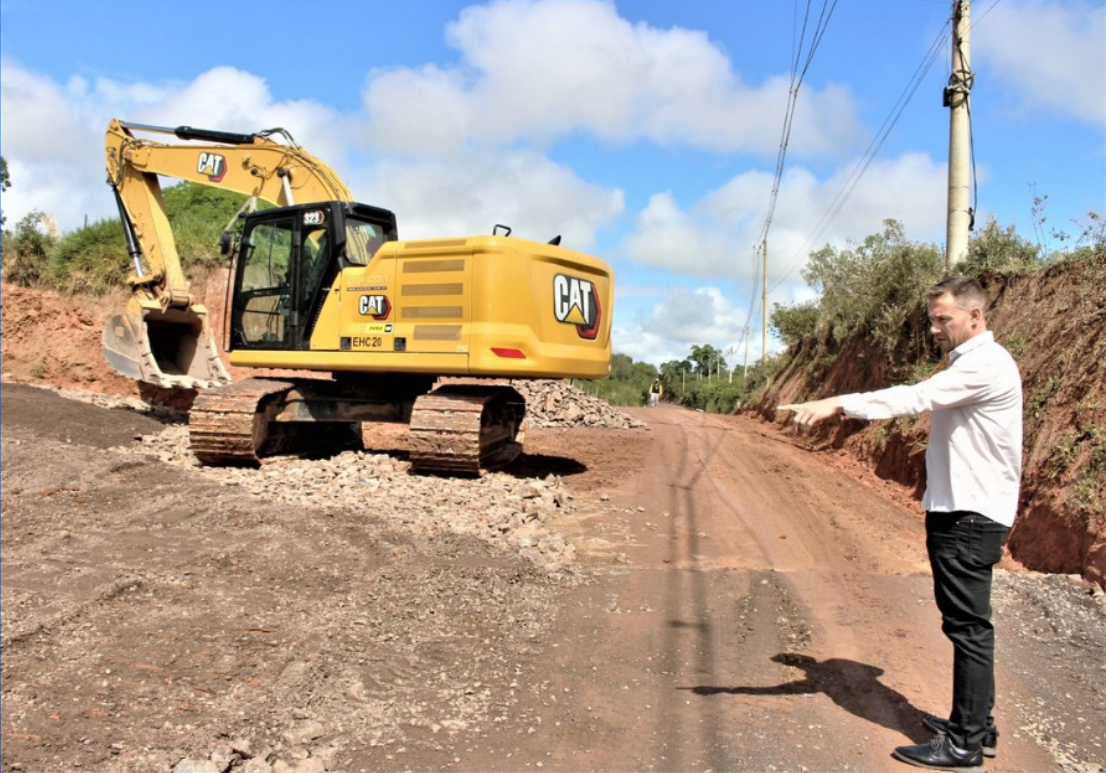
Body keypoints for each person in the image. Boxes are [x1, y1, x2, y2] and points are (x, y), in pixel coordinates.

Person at [778, 275, 1022, 772]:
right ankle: (978, 726)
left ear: (975, 316)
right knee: (967, 625)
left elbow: (913, 397)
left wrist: (838, 403)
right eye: (931, 319)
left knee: (967, 628)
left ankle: (965, 744)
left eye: (943, 319)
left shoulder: (985, 365)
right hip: (964, 509)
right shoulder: (971, 362)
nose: (934, 328)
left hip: (969, 514)